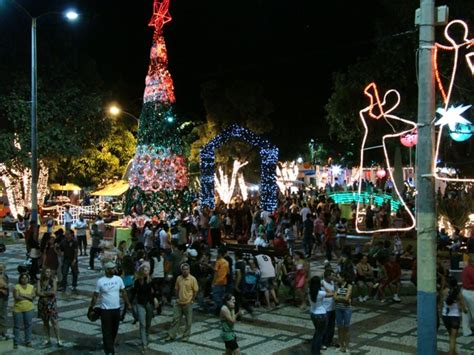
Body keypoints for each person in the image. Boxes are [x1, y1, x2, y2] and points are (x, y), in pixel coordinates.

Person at [89, 261, 132, 355]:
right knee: (106, 330)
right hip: (105, 310)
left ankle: (109, 345)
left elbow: (123, 292)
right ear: (107, 270)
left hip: (116, 309)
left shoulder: (118, 279)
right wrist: (91, 307)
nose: (115, 270)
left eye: (114, 268)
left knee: (114, 329)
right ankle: (109, 350)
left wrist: (128, 303)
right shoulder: (100, 281)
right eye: (112, 268)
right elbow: (95, 296)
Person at [166, 263, 199, 342]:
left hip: (188, 303)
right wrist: (177, 298)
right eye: (184, 269)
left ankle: (186, 336)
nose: (185, 271)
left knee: (188, 321)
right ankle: (171, 335)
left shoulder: (192, 279)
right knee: (175, 319)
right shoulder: (179, 278)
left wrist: (192, 300)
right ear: (181, 270)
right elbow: (176, 289)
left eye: (187, 269)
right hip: (179, 303)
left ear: (189, 270)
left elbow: (195, 291)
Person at [132, 264, 157, 353]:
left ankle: (146, 336)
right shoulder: (138, 282)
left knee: (148, 323)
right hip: (140, 304)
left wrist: (155, 299)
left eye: (148, 270)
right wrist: (131, 304)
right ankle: (144, 344)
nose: (147, 272)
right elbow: (134, 292)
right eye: (145, 270)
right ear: (142, 271)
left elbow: (155, 291)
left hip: (149, 303)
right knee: (142, 323)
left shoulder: (151, 281)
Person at [440, 276, 468, 355]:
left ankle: (453, 352)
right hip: (454, 317)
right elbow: (463, 307)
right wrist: (465, 311)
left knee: (451, 336)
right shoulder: (458, 293)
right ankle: (451, 353)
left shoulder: (444, 291)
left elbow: (441, 304)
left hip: (445, 316)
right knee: (453, 338)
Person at [36, 268, 62, 347]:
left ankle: (58, 339)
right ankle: (47, 338)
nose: (48, 273)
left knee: (54, 322)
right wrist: (47, 293)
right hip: (42, 304)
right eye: (46, 272)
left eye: (49, 272)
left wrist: (43, 293)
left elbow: (54, 292)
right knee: (45, 322)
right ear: (43, 273)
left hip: (51, 304)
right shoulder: (39, 281)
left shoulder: (53, 280)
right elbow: (38, 293)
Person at [309, 275, 332, 355]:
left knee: (317, 332)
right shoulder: (321, 293)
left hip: (313, 314)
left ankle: (313, 349)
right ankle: (316, 352)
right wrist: (324, 286)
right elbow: (331, 293)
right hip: (321, 314)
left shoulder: (309, 291)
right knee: (320, 334)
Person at [12, 273, 35, 349]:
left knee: (28, 325)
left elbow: (33, 297)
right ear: (20, 279)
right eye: (23, 278)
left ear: (28, 279)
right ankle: (16, 342)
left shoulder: (31, 287)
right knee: (17, 326)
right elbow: (16, 297)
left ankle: (28, 341)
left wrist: (23, 295)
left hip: (29, 308)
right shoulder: (17, 286)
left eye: (26, 278)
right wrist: (27, 296)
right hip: (18, 309)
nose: (24, 279)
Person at [335, 271, 353, 353]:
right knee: (339, 327)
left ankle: (347, 346)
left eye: (339, 277)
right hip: (338, 309)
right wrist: (342, 298)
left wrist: (339, 297)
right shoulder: (337, 286)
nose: (337, 278)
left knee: (346, 328)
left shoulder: (349, 286)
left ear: (343, 278)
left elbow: (347, 298)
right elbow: (334, 297)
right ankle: (341, 345)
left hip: (347, 309)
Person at [212, 246, 230, 314]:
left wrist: (213, 282)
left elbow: (215, 273)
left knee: (216, 297)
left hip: (217, 281)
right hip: (224, 281)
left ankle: (220, 310)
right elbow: (228, 272)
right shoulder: (226, 262)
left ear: (220, 254)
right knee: (221, 296)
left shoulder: (218, 262)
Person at [321, 269, 336, 349]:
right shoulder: (322, 283)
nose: (333, 277)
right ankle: (322, 342)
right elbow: (328, 293)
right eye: (332, 275)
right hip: (325, 308)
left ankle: (329, 341)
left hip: (332, 307)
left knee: (331, 326)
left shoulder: (332, 282)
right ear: (327, 276)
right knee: (324, 327)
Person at [461, 254, 474, 337]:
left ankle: (466, 331)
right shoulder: (472, 270)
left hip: (464, 292)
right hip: (472, 293)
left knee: (466, 313)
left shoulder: (465, 269)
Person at [0, 263, 9, 340]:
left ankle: (3, 332)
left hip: (4, 298)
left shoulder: (4, 276)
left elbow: (6, 286)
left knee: (3, 315)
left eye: (2, 268)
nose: (1, 269)